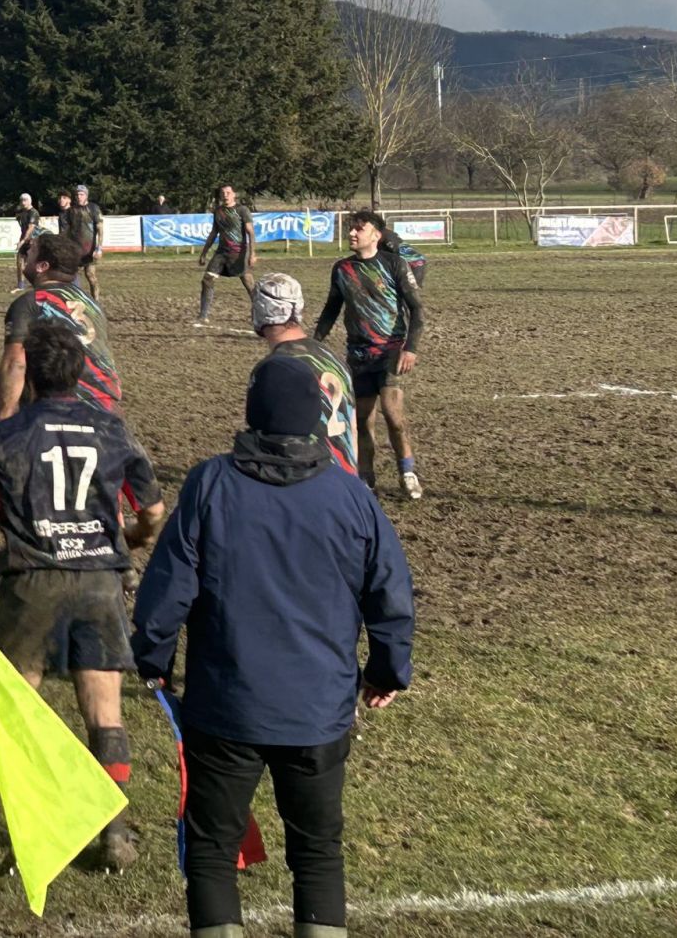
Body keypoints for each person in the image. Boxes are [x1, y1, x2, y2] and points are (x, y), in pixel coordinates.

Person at [132, 356, 414, 938]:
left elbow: (167, 587)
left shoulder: (211, 483)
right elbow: (390, 592)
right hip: (319, 712)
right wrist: (387, 670)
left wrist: (153, 657)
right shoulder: (352, 496)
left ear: (252, 413)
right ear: (317, 417)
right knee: (317, 851)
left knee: (212, 849)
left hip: (226, 708)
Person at [0, 324, 165, 872]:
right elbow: (154, 514)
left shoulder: (7, 433)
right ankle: (113, 834)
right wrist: (128, 542)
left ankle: (36, 834)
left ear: (32, 375)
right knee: (106, 715)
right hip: (99, 582)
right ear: (79, 371)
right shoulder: (113, 429)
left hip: (32, 583)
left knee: (21, 715)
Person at [314, 209, 426, 500]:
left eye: (358, 229)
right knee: (362, 421)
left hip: (390, 352)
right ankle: (366, 479)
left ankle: (407, 472)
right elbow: (331, 309)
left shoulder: (394, 264)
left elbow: (417, 309)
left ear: (375, 235)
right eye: (351, 229)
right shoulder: (341, 269)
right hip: (358, 355)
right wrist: (315, 341)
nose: (352, 233)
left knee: (393, 417)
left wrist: (410, 348)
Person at [0, 232, 120, 423]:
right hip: (106, 403)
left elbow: (15, 363)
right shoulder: (93, 304)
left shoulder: (31, 302)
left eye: (33, 251)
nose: (27, 254)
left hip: (61, 405)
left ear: (42, 266)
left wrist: (2, 422)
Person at [248, 274, 359, 476]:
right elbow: (352, 427)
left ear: (262, 309)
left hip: (309, 479)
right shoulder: (331, 356)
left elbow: (271, 440)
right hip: (344, 478)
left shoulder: (276, 369)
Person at [196, 185, 256, 326]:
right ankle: (203, 315)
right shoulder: (218, 211)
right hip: (221, 253)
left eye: (228, 192)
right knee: (207, 280)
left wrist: (252, 253)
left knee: (249, 284)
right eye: (223, 193)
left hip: (238, 253)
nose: (225, 195)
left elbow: (250, 232)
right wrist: (203, 253)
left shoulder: (242, 210)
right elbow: (213, 233)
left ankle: (260, 313)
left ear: (234, 194)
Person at [63, 184, 106, 298]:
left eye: (81, 194)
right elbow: (67, 230)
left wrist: (99, 248)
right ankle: (76, 300)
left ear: (86, 195)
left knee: (90, 276)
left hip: (89, 250)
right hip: (75, 250)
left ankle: (96, 301)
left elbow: (100, 229)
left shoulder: (93, 208)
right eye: (77, 194)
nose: (79, 196)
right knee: (71, 276)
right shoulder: (71, 211)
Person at [12, 194, 40, 290]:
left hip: (33, 241)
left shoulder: (34, 213)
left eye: (25, 200)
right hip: (24, 239)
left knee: (34, 264)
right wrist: (21, 240)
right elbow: (23, 229)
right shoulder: (22, 213)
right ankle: (20, 285)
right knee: (20, 262)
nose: (23, 203)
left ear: (30, 201)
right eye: (22, 201)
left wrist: (23, 240)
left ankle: (38, 283)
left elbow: (30, 228)